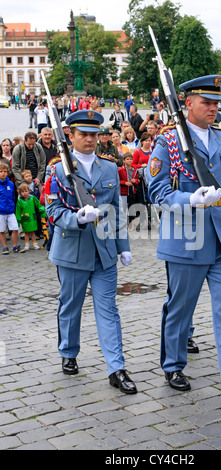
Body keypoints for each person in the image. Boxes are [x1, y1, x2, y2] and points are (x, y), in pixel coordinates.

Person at [147, 74, 221, 415]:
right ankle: (172, 364)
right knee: (180, 308)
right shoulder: (167, 143)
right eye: (207, 102)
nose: (215, 108)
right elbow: (157, 193)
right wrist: (191, 199)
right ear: (188, 104)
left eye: (217, 103)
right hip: (187, 240)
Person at [45, 110, 137, 394]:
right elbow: (52, 210)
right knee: (70, 306)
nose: (89, 139)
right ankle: (69, 352)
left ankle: (116, 367)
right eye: (83, 134)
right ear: (70, 136)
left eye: (94, 134)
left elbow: (116, 211)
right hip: (72, 250)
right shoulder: (57, 169)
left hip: (104, 251)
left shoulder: (109, 168)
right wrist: (77, 219)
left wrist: (123, 247)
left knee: (108, 309)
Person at [15, 183, 47, 251]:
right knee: (26, 233)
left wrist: (43, 213)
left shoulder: (32, 198)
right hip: (25, 219)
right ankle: (27, 244)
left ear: (29, 191)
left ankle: (34, 243)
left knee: (33, 232)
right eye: (22, 192)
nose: (24, 193)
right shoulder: (19, 201)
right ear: (20, 192)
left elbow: (39, 205)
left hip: (32, 218)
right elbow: (18, 211)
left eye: (26, 191)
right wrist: (18, 221)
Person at [0, 163, 21, 254]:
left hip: (11, 211)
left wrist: (12, 206)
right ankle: (5, 247)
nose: (3, 173)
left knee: (15, 228)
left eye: (5, 171)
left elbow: (13, 196)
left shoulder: (11, 184)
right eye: (1, 171)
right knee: (2, 230)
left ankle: (14, 246)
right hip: (1, 212)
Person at [118, 152, 139, 226]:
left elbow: (138, 180)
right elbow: (118, 180)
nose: (129, 161)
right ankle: (122, 222)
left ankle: (130, 222)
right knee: (123, 207)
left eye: (130, 159)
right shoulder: (121, 170)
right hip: (124, 191)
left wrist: (135, 181)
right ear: (123, 160)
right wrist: (125, 183)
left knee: (131, 206)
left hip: (132, 190)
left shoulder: (135, 169)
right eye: (127, 159)